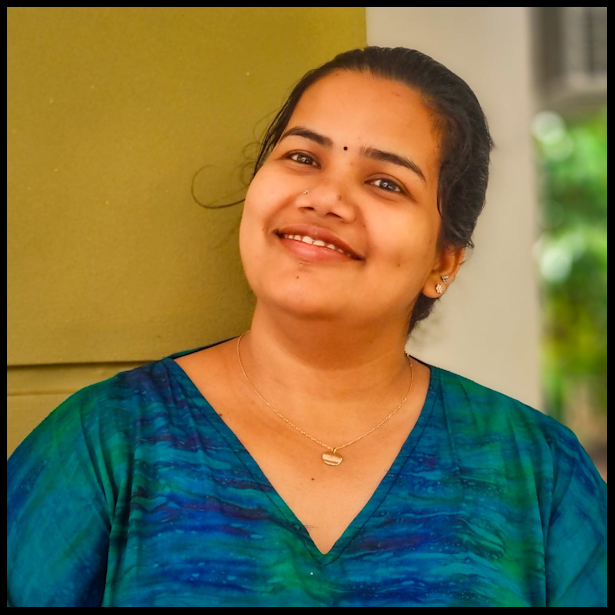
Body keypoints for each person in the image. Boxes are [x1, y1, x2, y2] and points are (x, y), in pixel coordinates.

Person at [7, 47, 606, 607]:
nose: (325, 198)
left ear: (442, 262)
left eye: (385, 182)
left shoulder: (537, 473)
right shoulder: (110, 442)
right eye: (302, 158)